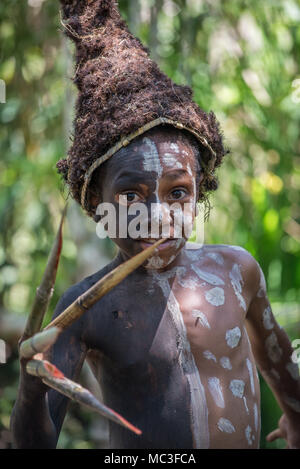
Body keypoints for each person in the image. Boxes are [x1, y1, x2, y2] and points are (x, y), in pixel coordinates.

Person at [11, 0, 300, 449]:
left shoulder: (235, 269)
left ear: (200, 189)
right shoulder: (86, 308)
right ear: (94, 201)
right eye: (131, 196)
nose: (158, 216)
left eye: (178, 192)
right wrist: (32, 388)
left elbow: (273, 352)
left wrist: (296, 415)